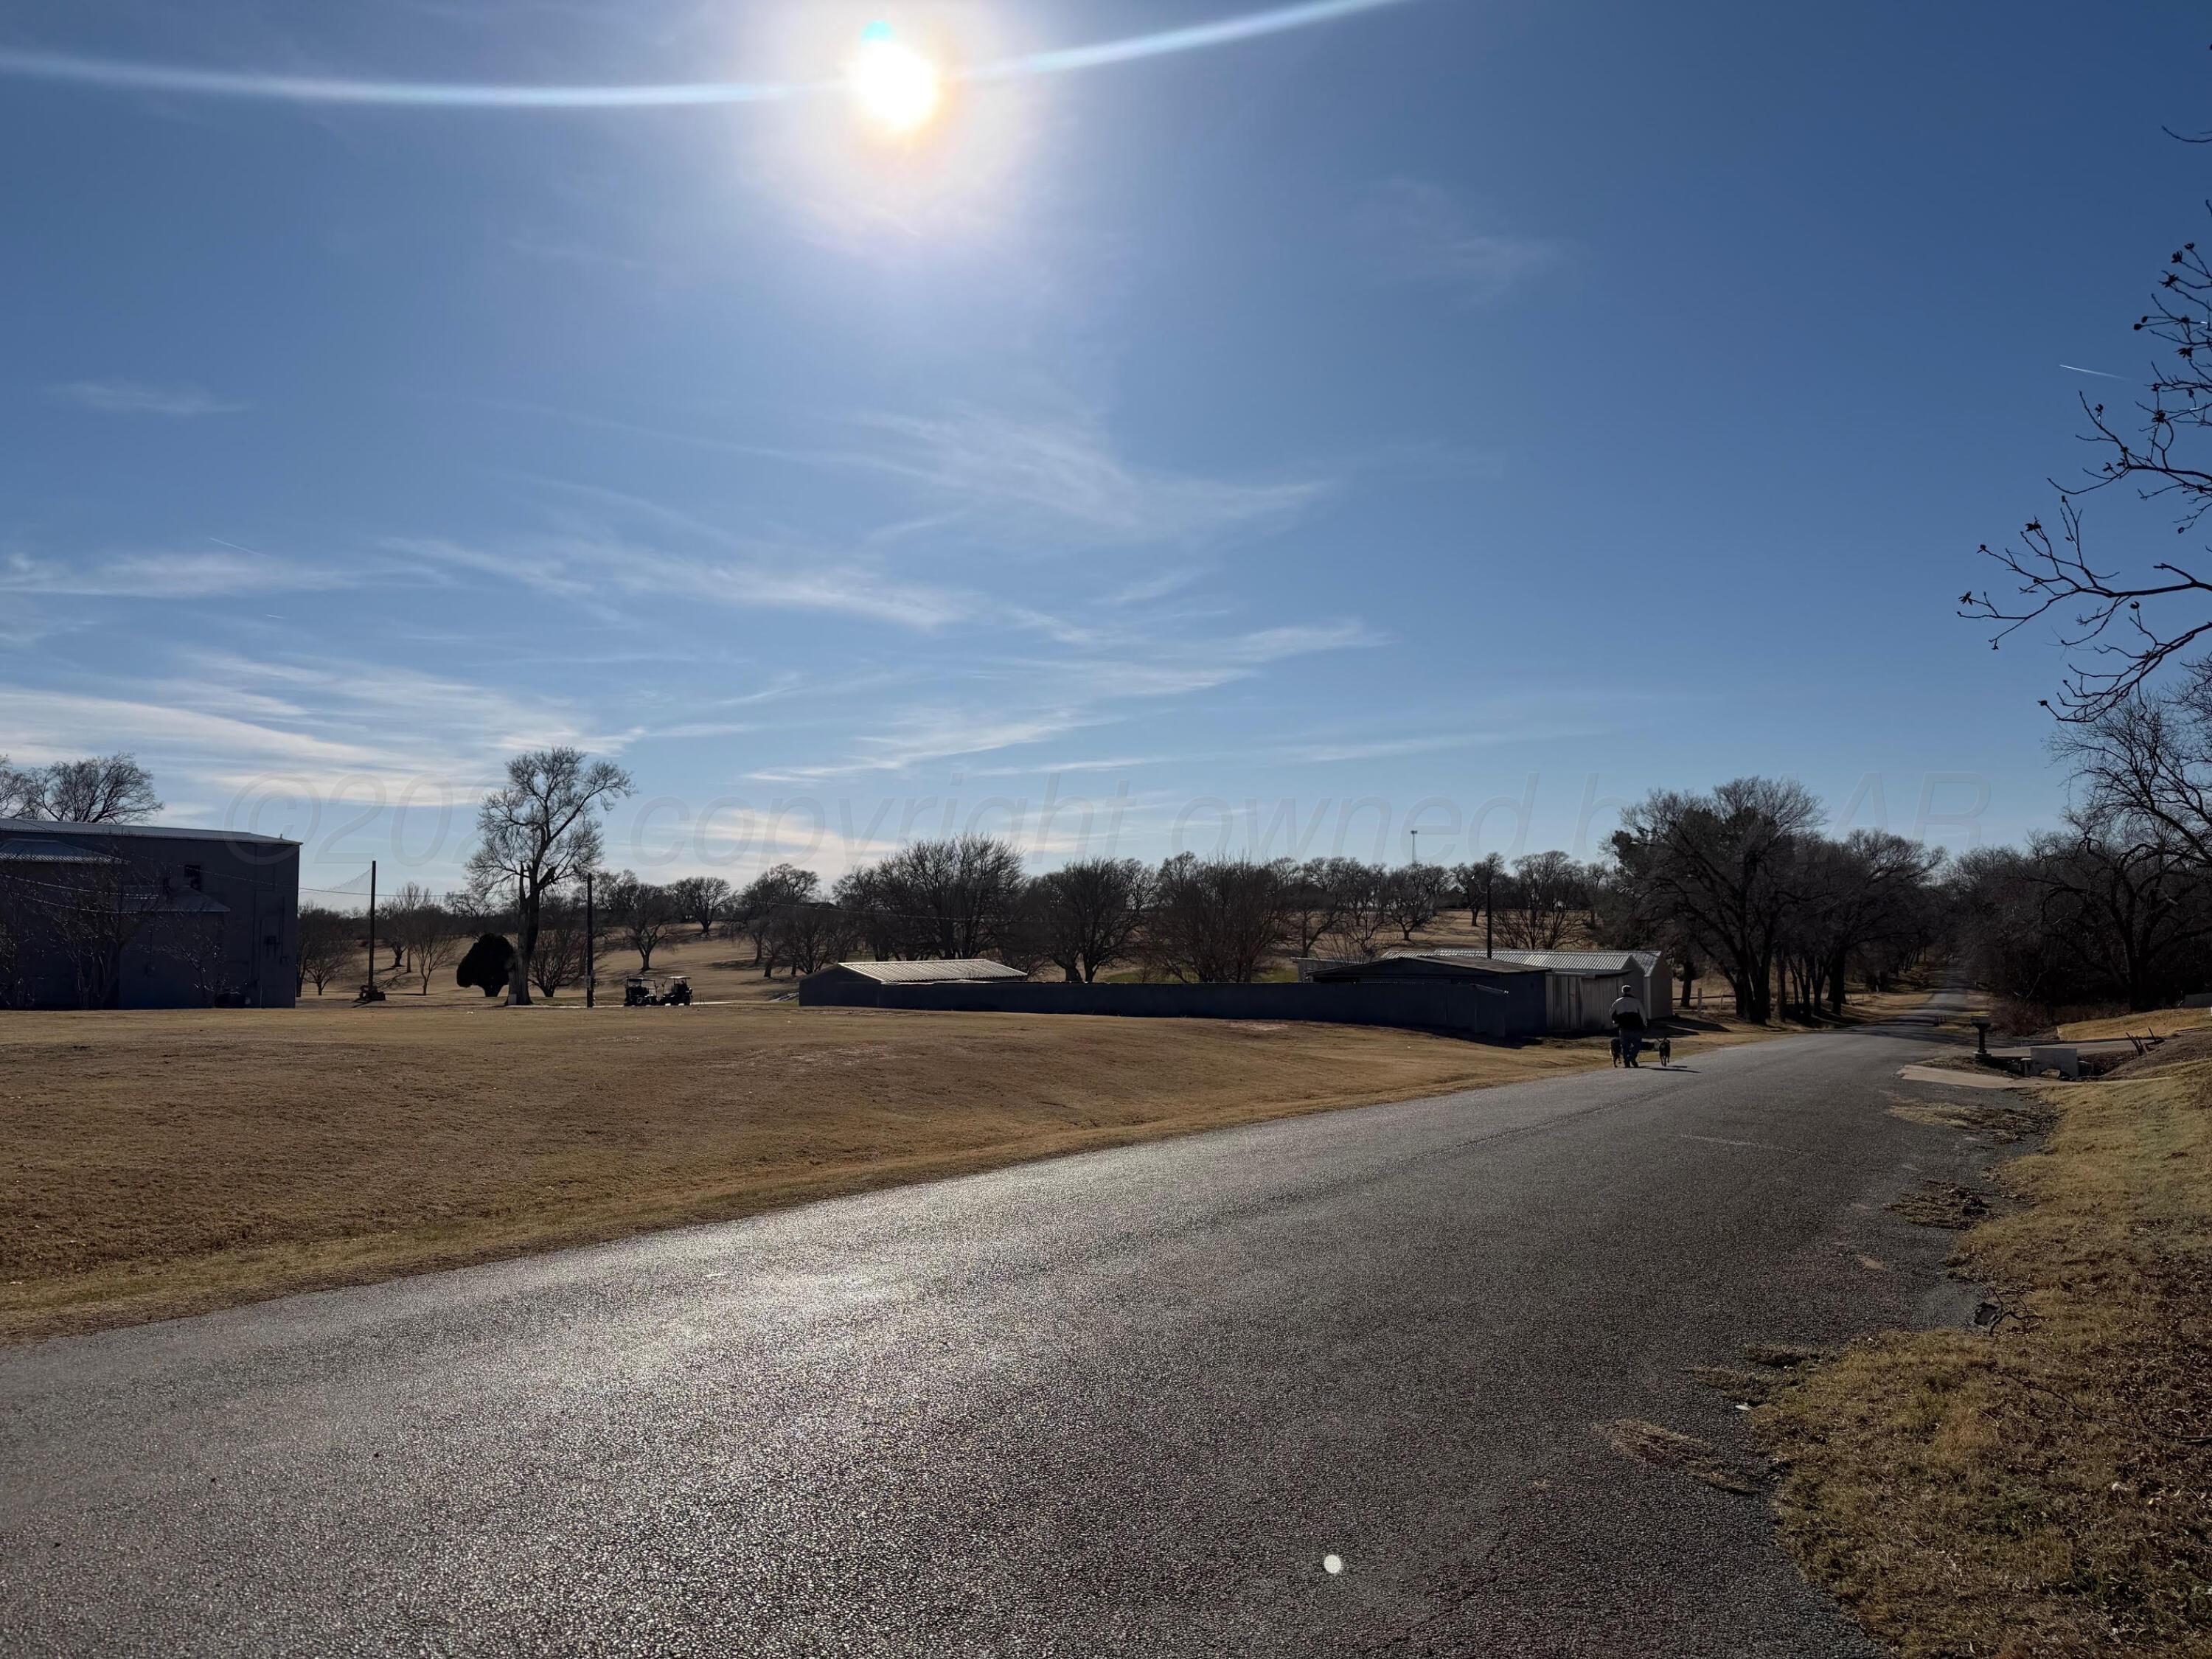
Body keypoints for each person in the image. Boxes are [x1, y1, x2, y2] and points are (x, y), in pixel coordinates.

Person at [1610, 981, 1647, 1067]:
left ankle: (1627, 1060)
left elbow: (1611, 1012)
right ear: (1630, 991)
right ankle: (1631, 1058)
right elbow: (1643, 1014)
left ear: (1623, 991)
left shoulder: (1617, 1002)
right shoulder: (1636, 1001)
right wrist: (1645, 1024)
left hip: (1623, 1027)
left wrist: (1615, 1021)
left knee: (1625, 1045)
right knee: (1637, 1044)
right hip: (1635, 1026)